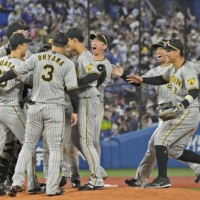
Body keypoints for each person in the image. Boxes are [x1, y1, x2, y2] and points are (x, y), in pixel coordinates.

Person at [112, 39, 200, 187]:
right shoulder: (167, 70)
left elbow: (194, 90)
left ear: (176, 52)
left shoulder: (188, 67)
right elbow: (159, 79)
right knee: (173, 150)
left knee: (160, 140)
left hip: (185, 110)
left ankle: (163, 179)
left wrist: (182, 106)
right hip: (168, 113)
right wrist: (129, 76)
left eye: (166, 49)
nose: (162, 51)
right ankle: (142, 179)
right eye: (160, 49)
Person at [0, 31, 79, 196]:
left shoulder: (36, 57)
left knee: (28, 145)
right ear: (64, 46)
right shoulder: (67, 63)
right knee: (55, 149)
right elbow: (72, 90)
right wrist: (76, 111)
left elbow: (14, 72)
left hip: (35, 108)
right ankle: (51, 188)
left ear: (52, 44)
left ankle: (17, 181)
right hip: (54, 108)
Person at [65, 27, 104, 191]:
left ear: (74, 40)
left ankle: (96, 180)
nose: (67, 44)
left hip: (88, 97)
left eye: (68, 40)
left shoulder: (86, 55)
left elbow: (95, 74)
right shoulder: (78, 57)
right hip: (82, 98)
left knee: (86, 141)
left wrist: (75, 82)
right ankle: (98, 171)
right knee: (75, 138)